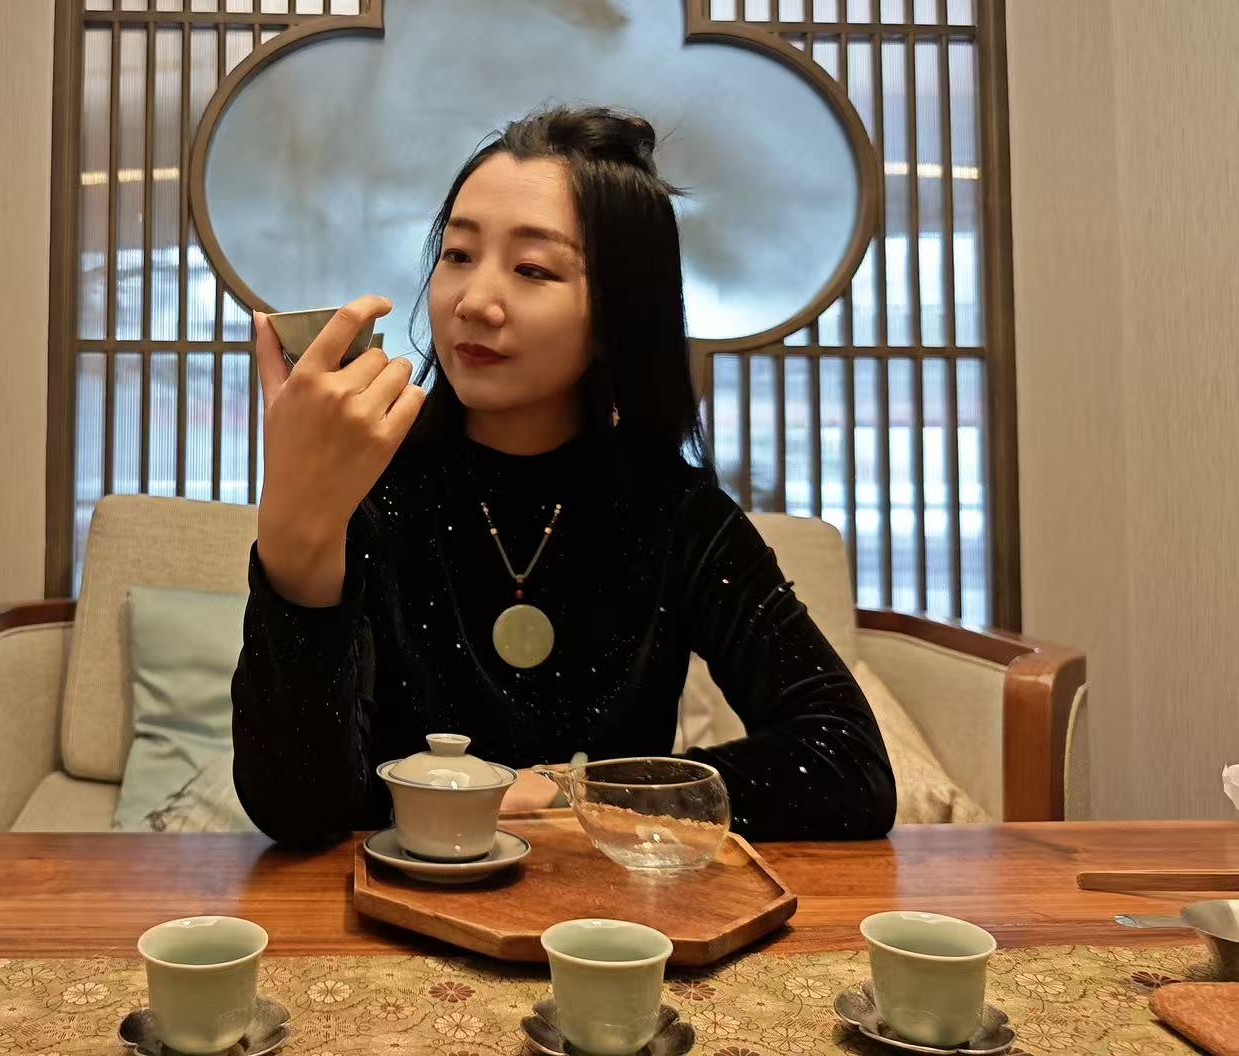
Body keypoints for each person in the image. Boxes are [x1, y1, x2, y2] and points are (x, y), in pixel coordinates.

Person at [231, 106, 895, 847]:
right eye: (457, 254)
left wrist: (577, 790)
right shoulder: (374, 487)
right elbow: (300, 813)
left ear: (619, 308)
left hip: (614, 907)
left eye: (532, 269)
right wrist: (297, 531)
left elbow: (849, 767)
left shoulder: (675, 513)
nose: (472, 302)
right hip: (386, 902)